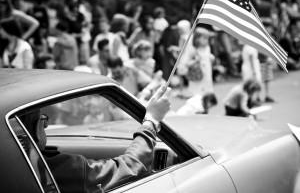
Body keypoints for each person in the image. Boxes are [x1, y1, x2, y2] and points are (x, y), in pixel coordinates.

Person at [19, 85, 171, 193]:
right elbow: (129, 168)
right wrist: (152, 120)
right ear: (32, 131)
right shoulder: (53, 169)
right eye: (42, 120)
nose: (45, 126)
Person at [177, 25, 215, 96]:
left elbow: (208, 60)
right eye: (204, 38)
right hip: (196, 76)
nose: (207, 41)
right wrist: (196, 61)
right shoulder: (194, 50)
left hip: (206, 75)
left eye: (207, 38)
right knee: (197, 94)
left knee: (206, 93)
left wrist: (211, 58)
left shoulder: (207, 48)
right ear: (197, 39)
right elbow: (187, 64)